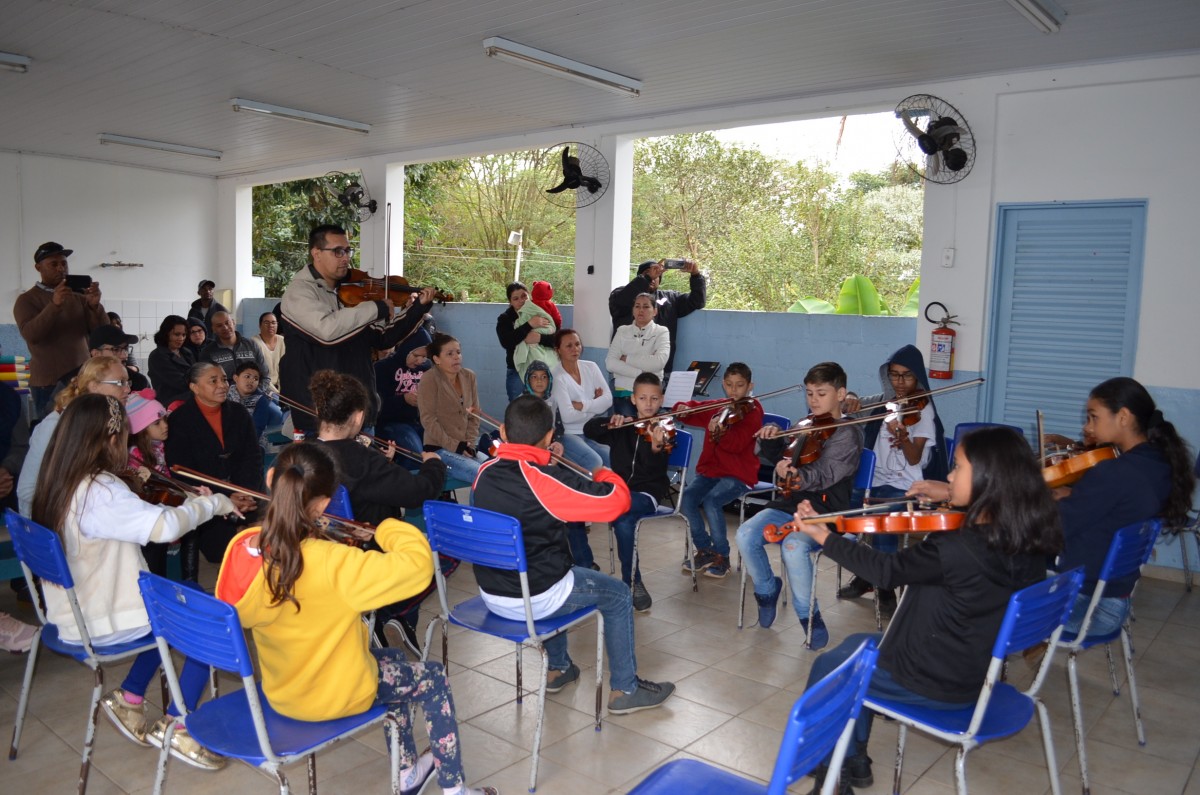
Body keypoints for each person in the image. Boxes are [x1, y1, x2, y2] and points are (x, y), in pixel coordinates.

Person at [215, 442, 498, 795]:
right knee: (434, 677)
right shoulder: (334, 563)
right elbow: (418, 566)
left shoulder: (244, 549)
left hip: (283, 689)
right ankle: (456, 790)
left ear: (272, 479)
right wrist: (384, 528)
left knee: (392, 660)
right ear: (322, 504)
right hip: (334, 695)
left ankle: (407, 772)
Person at [793, 426, 1061, 794]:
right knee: (857, 645)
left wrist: (823, 535)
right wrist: (952, 496)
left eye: (958, 468)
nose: (949, 476)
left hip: (933, 681)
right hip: (976, 671)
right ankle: (854, 760)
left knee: (832, 669)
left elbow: (886, 571)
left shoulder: (955, 548)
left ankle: (831, 777)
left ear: (986, 479)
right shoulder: (1026, 537)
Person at [32, 393, 237, 770]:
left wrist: (183, 504)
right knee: (210, 616)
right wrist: (211, 504)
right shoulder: (100, 490)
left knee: (186, 595)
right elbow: (163, 528)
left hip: (71, 611)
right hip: (100, 619)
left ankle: (130, 699)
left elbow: (135, 517)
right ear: (109, 440)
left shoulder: (59, 480)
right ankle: (180, 725)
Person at [472, 395, 675, 715]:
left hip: (492, 592)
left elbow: (527, 492)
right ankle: (626, 689)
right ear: (549, 436)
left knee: (553, 568)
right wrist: (603, 473)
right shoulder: (545, 479)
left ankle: (559, 668)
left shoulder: (484, 471)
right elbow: (616, 502)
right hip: (535, 595)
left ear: (503, 431)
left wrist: (546, 466)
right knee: (618, 594)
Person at [310, 369, 448, 656]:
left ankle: (384, 623)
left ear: (319, 411)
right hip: (367, 552)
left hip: (322, 551)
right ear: (359, 417)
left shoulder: (302, 452)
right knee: (441, 559)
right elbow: (418, 492)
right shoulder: (361, 459)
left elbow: (365, 483)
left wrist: (385, 465)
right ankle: (393, 614)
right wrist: (433, 464)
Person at [734, 362, 863, 649]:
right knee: (745, 535)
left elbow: (825, 473)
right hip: (790, 504)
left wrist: (796, 475)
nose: (814, 400)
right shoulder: (805, 424)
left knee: (793, 546)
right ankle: (767, 590)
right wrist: (771, 439)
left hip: (826, 511)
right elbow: (783, 455)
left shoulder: (848, 433)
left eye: (821, 393)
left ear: (841, 394)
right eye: (809, 393)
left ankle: (809, 617)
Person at [1052, 378, 1193, 637]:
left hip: (1086, 606)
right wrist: (1077, 494)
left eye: (1094, 417)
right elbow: (1120, 503)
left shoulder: (1113, 472)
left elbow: (1054, 529)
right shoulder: (1158, 463)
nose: (1087, 426)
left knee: (994, 588)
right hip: (1115, 598)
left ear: (1124, 417)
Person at [279, 224, 438, 435]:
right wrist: (375, 308)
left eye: (348, 250)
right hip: (322, 418)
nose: (346, 258)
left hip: (360, 411)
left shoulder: (349, 292)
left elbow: (383, 338)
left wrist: (418, 308)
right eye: (338, 251)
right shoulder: (299, 293)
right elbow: (327, 331)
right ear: (316, 253)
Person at [838, 345, 948, 615]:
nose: (899, 382)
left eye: (906, 375)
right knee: (843, 509)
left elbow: (913, 458)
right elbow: (852, 405)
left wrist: (902, 436)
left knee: (882, 521)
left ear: (917, 376)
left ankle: (885, 585)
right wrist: (850, 397)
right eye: (894, 375)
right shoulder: (885, 401)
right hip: (874, 480)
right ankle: (867, 575)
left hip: (906, 486)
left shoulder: (924, 411)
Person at [583, 372, 672, 612]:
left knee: (619, 511)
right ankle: (585, 566)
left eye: (654, 398)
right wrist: (611, 421)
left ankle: (632, 581)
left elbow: (655, 467)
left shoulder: (664, 427)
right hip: (619, 492)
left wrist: (656, 446)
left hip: (647, 494)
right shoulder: (624, 426)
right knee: (610, 517)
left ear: (661, 399)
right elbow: (589, 429)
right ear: (633, 399)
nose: (648, 404)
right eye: (643, 398)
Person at [673, 362, 764, 579]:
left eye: (740, 385)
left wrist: (721, 432)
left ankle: (722, 555)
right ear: (723, 384)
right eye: (729, 385)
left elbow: (737, 445)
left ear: (750, 386)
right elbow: (693, 409)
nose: (734, 390)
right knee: (687, 499)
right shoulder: (721, 407)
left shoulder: (752, 411)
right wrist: (681, 408)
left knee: (712, 501)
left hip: (738, 474)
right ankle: (705, 550)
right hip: (712, 471)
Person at [164, 362, 262, 563]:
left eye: (224, 380)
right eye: (213, 381)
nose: (223, 385)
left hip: (245, 495)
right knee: (224, 553)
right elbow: (182, 471)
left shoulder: (239, 413)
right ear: (194, 387)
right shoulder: (179, 420)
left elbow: (252, 457)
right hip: (208, 501)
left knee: (260, 539)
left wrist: (246, 492)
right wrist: (225, 497)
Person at [18, 356, 131, 517]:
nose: (127, 389)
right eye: (120, 382)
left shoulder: (103, 421)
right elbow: (27, 490)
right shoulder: (56, 424)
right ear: (94, 386)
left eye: (128, 382)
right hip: (47, 519)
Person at [13, 242, 110, 418]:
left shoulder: (78, 297)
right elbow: (32, 335)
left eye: (64, 263)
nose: (61, 268)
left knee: (84, 427)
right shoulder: (26, 300)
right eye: (54, 264)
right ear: (38, 268)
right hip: (48, 383)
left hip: (82, 378)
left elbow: (102, 335)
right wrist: (54, 305)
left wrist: (95, 306)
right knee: (52, 429)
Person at [609, 258, 706, 373]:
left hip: (660, 373)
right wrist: (646, 278)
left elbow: (697, 301)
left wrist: (696, 275)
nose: (653, 277)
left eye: (657, 274)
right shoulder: (620, 295)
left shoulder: (670, 298)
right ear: (639, 277)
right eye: (648, 273)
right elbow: (622, 301)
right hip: (626, 372)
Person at [417, 333, 486, 484]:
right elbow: (428, 420)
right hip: (439, 449)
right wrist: (456, 446)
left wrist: (470, 443)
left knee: (495, 470)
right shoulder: (429, 378)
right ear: (437, 359)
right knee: (481, 476)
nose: (456, 357)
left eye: (458, 352)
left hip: (466, 447)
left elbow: (475, 415)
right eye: (450, 354)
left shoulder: (469, 376)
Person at [551, 328, 612, 469]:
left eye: (577, 344)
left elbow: (608, 400)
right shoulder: (557, 376)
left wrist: (582, 405)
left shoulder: (591, 367)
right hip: (567, 434)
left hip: (589, 430)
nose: (575, 349)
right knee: (594, 462)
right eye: (569, 346)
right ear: (558, 350)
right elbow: (567, 417)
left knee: (612, 457)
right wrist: (595, 404)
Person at [606, 294, 670, 417]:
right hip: (624, 393)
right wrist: (641, 373)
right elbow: (610, 364)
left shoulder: (661, 331)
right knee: (627, 428)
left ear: (655, 311)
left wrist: (626, 358)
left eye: (646, 306)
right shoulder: (622, 330)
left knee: (649, 428)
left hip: (650, 395)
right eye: (637, 306)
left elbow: (659, 362)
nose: (641, 310)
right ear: (633, 310)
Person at [374, 324, 432, 456]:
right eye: (416, 355)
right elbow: (377, 408)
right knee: (414, 451)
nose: (420, 361)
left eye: (424, 357)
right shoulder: (382, 368)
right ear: (406, 349)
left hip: (418, 422)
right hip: (390, 424)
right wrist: (403, 399)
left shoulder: (426, 368)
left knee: (437, 444)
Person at [495, 282, 551, 401]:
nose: (521, 301)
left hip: (542, 369)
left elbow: (556, 339)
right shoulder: (505, 318)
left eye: (524, 296)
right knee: (518, 408)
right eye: (516, 299)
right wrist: (529, 324)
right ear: (510, 302)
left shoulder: (540, 311)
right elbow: (506, 342)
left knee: (543, 407)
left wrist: (540, 338)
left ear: (529, 295)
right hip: (517, 371)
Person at [201, 310, 271, 393]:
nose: (225, 327)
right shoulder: (208, 352)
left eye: (227, 323)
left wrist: (255, 393)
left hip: (255, 394)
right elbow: (207, 381)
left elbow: (265, 376)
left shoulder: (251, 345)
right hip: (224, 397)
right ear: (213, 329)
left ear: (233, 323)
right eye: (219, 325)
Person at [229, 360, 284, 440]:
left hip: (253, 442)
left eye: (256, 378)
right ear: (236, 378)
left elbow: (257, 428)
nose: (251, 381)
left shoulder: (261, 401)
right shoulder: (224, 395)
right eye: (247, 376)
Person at [147, 315, 195, 405]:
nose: (181, 338)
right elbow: (180, 382)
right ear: (166, 334)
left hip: (190, 398)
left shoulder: (186, 352)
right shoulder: (157, 356)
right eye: (177, 334)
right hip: (170, 404)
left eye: (184, 335)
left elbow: (197, 373)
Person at [86, 324, 150, 391]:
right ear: (96, 354)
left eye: (126, 348)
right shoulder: (80, 381)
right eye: (116, 349)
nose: (124, 355)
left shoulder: (138, 382)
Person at [250, 311, 285, 395]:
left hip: (282, 387)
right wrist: (277, 393)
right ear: (259, 325)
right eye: (266, 323)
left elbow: (285, 369)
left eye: (273, 323)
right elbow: (259, 373)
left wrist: (282, 391)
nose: (271, 325)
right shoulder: (253, 342)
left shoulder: (282, 340)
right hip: (262, 387)